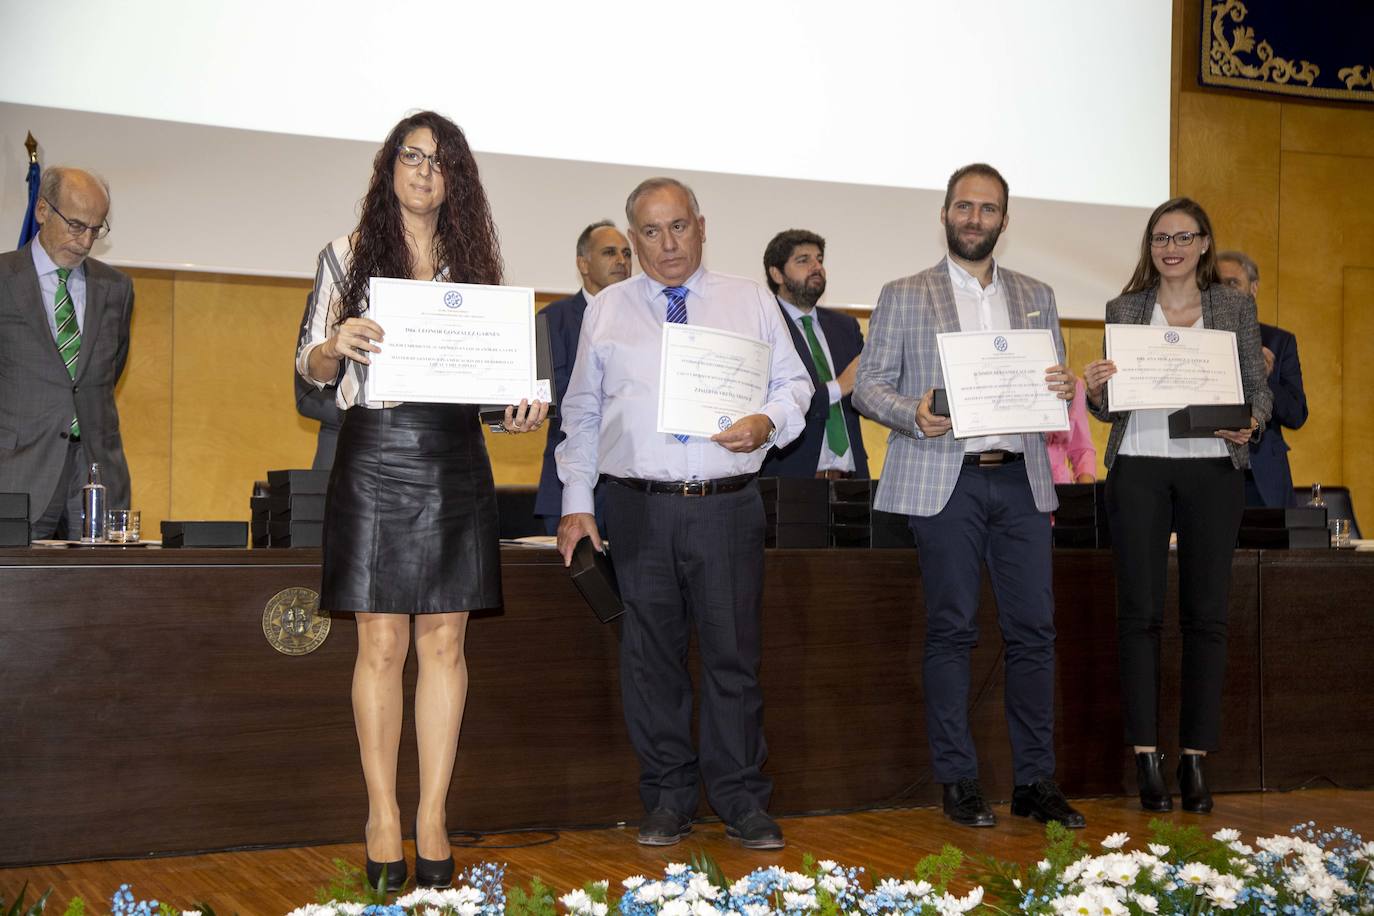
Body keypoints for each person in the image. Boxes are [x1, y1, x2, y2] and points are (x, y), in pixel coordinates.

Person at [295, 112, 546, 891]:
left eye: (439, 161)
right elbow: (308, 364)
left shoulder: (474, 268)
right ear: (388, 167)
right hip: (374, 453)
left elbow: (490, 385)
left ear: (456, 179)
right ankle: (381, 816)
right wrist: (336, 345)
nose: (422, 170)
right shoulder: (345, 254)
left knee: (444, 644)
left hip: (452, 460)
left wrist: (518, 406)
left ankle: (432, 814)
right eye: (410, 156)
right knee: (381, 645)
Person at [555, 177, 811, 850]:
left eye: (678, 227)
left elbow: (796, 385)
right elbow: (580, 412)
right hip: (638, 510)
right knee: (651, 661)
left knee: (733, 660)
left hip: (726, 506)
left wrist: (768, 421)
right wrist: (577, 504)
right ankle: (668, 796)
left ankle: (741, 799)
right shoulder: (607, 310)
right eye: (649, 231)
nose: (666, 244)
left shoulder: (749, 300)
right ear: (632, 237)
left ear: (702, 226)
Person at [853, 163, 1084, 830]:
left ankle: (1035, 781)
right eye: (964, 206)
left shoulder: (1038, 297)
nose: (974, 218)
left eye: (988, 209)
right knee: (952, 629)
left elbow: (1054, 392)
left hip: (1019, 478)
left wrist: (1064, 390)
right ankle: (959, 780)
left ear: (1004, 222)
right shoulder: (905, 293)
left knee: (1035, 632)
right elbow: (869, 385)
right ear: (946, 214)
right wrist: (910, 412)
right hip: (944, 478)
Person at [1083, 198, 1272, 815]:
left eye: (1183, 237)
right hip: (1138, 466)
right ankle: (1146, 759)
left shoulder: (1233, 307)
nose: (1171, 248)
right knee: (1139, 614)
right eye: (1161, 237)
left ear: (1204, 243)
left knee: (1207, 617)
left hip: (1213, 471)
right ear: (1150, 245)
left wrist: (1253, 422)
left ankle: (1194, 759)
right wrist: (1096, 390)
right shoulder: (1124, 308)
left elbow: (1257, 387)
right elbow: (1111, 408)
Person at [0, 167, 132, 540]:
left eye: (96, 229)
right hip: (15, 474)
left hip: (96, 477)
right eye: (76, 225)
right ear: (42, 210)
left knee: (99, 596)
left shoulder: (116, 288)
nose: (86, 241)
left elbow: (106, 371)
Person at [533, 220, 631, 533]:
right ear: (583, 264)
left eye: (627, 253)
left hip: (632, 488)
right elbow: (550, 394)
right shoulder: (552, 318)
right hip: (568, 483)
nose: (622, 261)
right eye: (610, 252)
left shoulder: (645, 322)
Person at [759, 229, 869, 480]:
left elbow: (864, 399)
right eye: (803, 260)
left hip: (851, 478)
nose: (816, 266)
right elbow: (768, 401)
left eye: (819, 259)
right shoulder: (764, 324)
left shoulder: (846, 327)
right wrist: (838, 387)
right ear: (777, 273)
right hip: (791, 479)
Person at [1215, 251, 1307, 507]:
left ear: (1253, 288)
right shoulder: (1197, 340)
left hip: (1263, 478)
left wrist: (1265, 379)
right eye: (1217, 284)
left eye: (1233, 283)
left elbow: (1296, 415)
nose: (1225, 292)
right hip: (1209, 474)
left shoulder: (1279, 342)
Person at [294, 291, 343, 470]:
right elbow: (307, 398)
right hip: (340, 451)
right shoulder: (330, 296)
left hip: (427, 454)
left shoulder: (433, 298)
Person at [1045, 379, 1097, 484]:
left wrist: (1086, 493)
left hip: (1059, 489)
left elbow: (1082, 450)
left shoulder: (1073, 385)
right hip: (1012, 484)